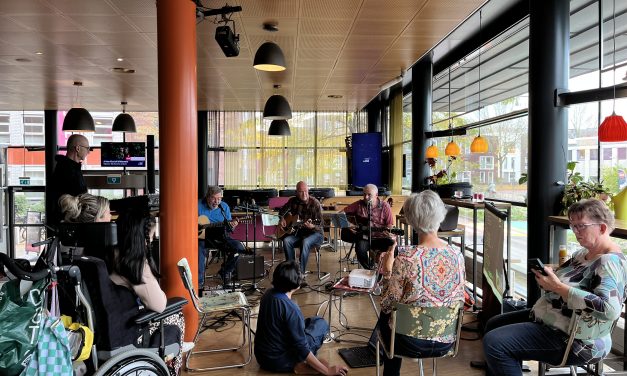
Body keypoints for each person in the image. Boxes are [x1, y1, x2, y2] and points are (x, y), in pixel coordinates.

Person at [483, 198, 627, 376]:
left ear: (602, 228)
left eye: (581, 226)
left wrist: (558, 287)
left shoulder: (609, 262)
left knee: (496, 343)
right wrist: (549, 280)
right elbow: (564, 281)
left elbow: (610, 309)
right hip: (556, 321)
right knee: (494, 324)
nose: (575, 231)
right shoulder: (583, 253)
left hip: (578, 339)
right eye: (573, 226)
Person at [377, 190, 465, 376]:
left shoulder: (406, 258)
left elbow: (387, 304)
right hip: (447, 340)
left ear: (410, 220)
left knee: (386, 318)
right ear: (441, 216)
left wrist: (387, 272)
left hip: (410, 342)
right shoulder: (457, 255)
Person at [111, 208, 189, 376]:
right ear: (141, 238)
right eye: (150, 238)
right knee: (177, 314)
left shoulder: (112, 254)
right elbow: (159, 304)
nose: (151, 243)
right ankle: (173, 368)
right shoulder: (135, 264)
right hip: (130, 331)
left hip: (112, 326)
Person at [254, 260, 348, 375]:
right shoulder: (291, 308)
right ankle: (299, 365)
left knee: (314, 321)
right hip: (280, 361)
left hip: (262, 357)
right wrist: (327, 371)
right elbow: (301, 348)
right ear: (296, 284)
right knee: (322, 324)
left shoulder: (267, 294)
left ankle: (303, 363)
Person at [197, 186, 244, 289]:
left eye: (219, 199)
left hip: (220, 237)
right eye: (214, 198)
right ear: (207, 197)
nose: (216, 202)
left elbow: (228, 229)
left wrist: (232, 226)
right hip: (202, 238)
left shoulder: (224, 207)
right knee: (199, 249)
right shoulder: (198, 205)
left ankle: (224, 272)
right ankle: (199, 282)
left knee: (239, 248)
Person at [343, 184, 394, 269]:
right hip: (365, 237)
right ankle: (369, 270)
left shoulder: (385, 206)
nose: (366, 197)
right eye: (364, 194)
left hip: (381, 237)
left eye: (369, 195)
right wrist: (349, 225)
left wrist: (389, 231)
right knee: (360, 249)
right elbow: (341, 214)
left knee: (393, 247)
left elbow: (390, 224)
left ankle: (383, 269)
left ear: (376, 195)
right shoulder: (359, 204)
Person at [278, 181, 324, 274]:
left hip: (316, 234)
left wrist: (312, 226)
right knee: (287, 241)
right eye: (301, 192)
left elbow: (321, 224)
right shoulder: (292, 201)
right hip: (299, 233)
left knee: (305, 241)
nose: (304, 194)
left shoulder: (315, 203)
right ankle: (291, 271)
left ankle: (300, 274)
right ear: (296, 192)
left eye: (306, 191)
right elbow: (281, 212)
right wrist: (281, 219)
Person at [49, 134, 90, 226]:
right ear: (78, 148)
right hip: (70, 221)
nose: (88, 152)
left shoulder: (70, 167)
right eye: (87, 148)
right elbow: (80, 197)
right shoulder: (67, 170)